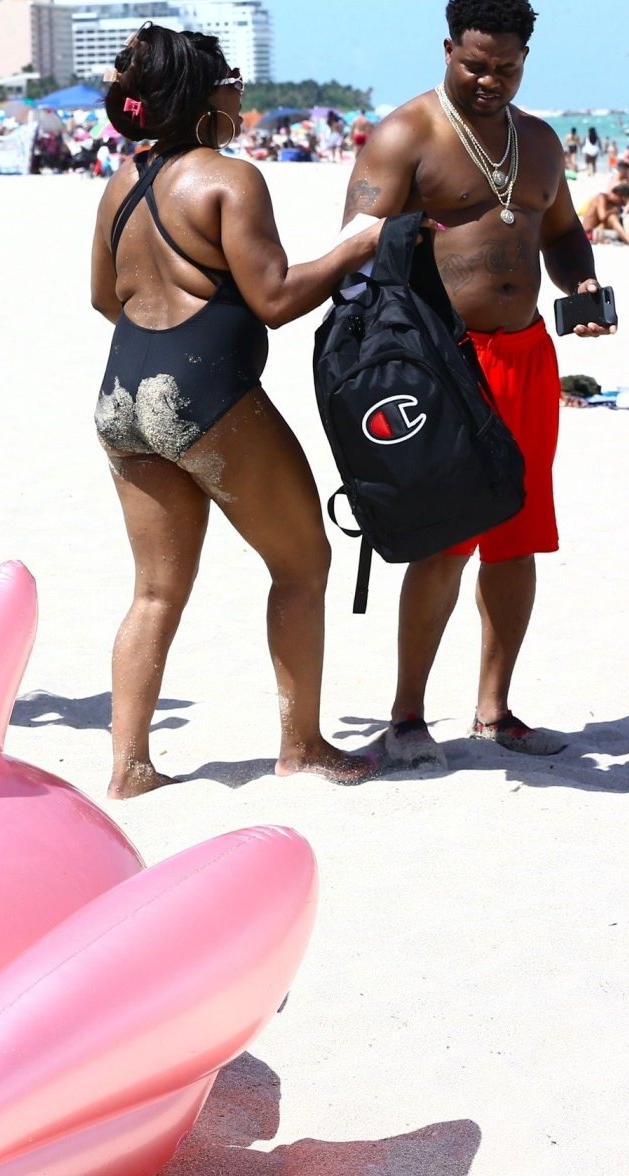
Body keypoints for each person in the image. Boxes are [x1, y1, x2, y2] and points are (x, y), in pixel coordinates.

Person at [90, 24, 390, 798]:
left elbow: (104, 296)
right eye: (232, 79)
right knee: (302, 564)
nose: (240, 92)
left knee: (154, 591)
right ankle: (302, 745)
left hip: (121, 396)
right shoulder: (230, 178)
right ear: (203, 95)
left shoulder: (122, 182)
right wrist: (356, 249)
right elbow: (276, 298)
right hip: (205, 395)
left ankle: (129, 767)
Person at [344, 0, 615, 764]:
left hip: (527, 358)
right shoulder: (405, 136)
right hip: (446, 364)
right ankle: (407, 717)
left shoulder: (540, 142)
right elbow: (353, 253)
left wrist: (582, 284)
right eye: (474, 65)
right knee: (446, 542)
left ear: (525, 61)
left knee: (516, 540)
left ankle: (495, 711)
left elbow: (562, 232)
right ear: (446, 50)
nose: (490, 79)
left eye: (506, 67)